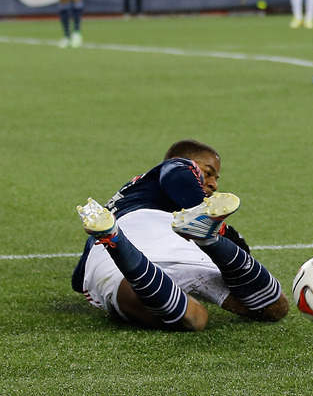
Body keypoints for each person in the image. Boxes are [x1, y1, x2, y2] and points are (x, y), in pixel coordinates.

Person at [72, 138, 289, 331]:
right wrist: (203, 210)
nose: (214, 184)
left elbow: (78, 281)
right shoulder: (176, 166)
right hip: (172, 237)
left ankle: (114, 239)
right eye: (208, 173)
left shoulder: (111, 210)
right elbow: (176, 171)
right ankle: (210, 238)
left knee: (196, 317)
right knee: (274, 308)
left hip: (118, 260)